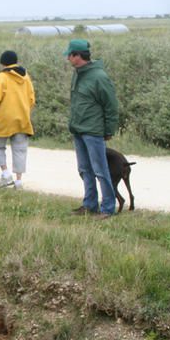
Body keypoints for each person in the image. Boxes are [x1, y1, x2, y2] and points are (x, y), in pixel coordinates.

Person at [65, 39, 119, 219]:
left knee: (100, 170)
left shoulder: (99, 77)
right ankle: (89, 205)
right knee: (84, 169)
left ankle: (108, 208)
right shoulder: (78, 73)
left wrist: (109, 130)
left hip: (93, 131)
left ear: (78, 56)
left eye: (70, 55)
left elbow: (111, 105)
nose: (67, 58)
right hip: (79, 130)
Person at [0, 50, 36, 190]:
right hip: (22, 118)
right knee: (20, 150)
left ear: (2, 63)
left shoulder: (0, 77)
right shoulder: (26, 77)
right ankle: (19, 182)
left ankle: (5, 174)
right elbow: (32, 99)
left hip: (4, 118)